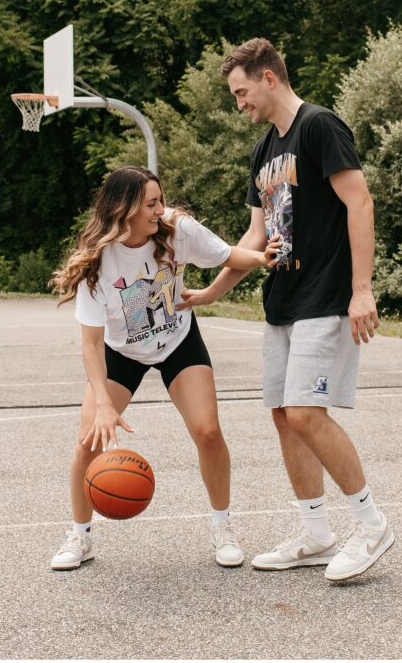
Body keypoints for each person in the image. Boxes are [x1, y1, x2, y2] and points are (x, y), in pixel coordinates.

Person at [178, 38, 393, 583]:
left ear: (269, 78)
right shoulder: (262, 153)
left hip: (325, 296)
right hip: (283, 303)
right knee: (283, 415)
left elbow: (359, 201)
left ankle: (370, 524)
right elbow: (254, 237)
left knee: (304, 412)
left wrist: (361, 289)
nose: (239, 104)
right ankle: (315, 531)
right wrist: (211, 294)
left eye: (241, 92)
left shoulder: (320, 127)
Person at [49, 165, 280, 571]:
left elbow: (226, 254)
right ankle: (80, 537)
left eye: (161, 200)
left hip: (177, 340)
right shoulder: (96, 263)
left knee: (208, 432)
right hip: (121, 352)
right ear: (125, 209)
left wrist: (262, 257)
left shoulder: (177, 231)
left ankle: (223, 527)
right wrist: (103, 404)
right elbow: (89, 345)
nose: (161, 209)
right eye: (151, 203)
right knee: (88, 442)